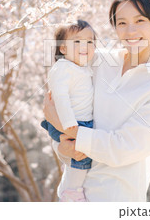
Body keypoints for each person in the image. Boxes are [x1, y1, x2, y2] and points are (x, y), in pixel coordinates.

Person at [43, 0, 150, 201]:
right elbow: (55, 105)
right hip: (71, 196)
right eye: (122, 23)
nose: (130, 31)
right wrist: (63, 146)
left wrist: (67, 129)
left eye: (140, 20)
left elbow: (123, 148)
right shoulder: (97, 61)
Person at [40, 19, 97, 201]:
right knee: (81, 158)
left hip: (81, 121)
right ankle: (70, 192)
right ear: (63, 49)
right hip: (72, 122)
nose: (85, 46)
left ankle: (71, 182)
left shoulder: (81, 67)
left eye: (90, 41)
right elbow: (61, 96)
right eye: (77, 41)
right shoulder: (63, 67)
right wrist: (69, 123)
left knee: (81, 158)